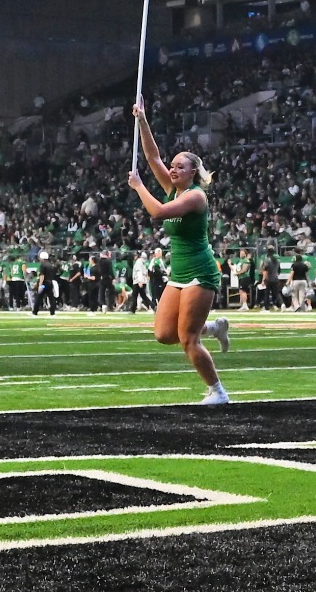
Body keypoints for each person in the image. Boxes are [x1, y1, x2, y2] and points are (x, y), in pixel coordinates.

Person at [126, 103, 231, 406]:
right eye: (172, 166)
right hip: (179, 273)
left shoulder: (196, 196)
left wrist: (138, 186)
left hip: (201, 271)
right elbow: (152, 156)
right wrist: (143, 120)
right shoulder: (174, 188)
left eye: (179, 167)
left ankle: (218, 392)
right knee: (163, 334)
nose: (172, 169)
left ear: (193, 172)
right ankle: (212, 327)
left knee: (188, 340)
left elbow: (157, 212)